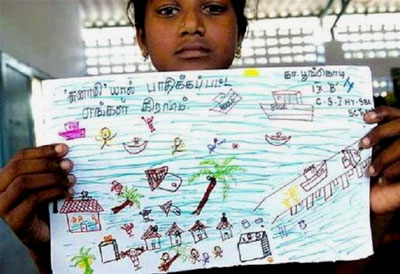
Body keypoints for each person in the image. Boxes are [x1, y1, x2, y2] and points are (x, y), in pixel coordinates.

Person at [0, 0, 399, 273]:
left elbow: (341, 264)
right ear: (141, 38)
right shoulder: (86, 149)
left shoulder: (325, 129)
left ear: (240, 34)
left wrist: (374, 213)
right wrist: (46, 245)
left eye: (213, 7)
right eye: (168, 10)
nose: (192, 24)